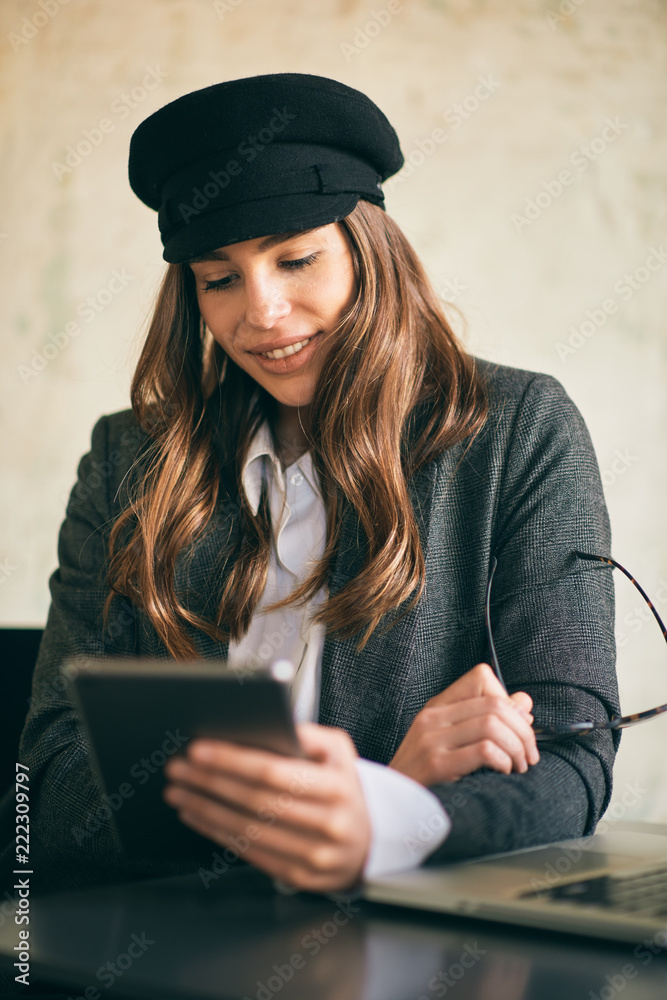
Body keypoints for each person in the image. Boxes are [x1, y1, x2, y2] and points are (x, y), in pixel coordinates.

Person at [3, 73, 620, 899]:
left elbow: (576, 760)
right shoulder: (129, 458)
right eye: (218, 279)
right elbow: (44, 777)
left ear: (370, 252)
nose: (260, 313)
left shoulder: (516, 430)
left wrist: (388, 820)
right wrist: (349, 802)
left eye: (295, 259)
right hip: (165, 945)